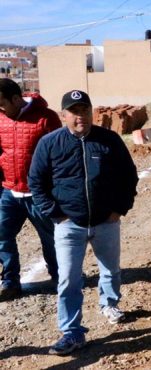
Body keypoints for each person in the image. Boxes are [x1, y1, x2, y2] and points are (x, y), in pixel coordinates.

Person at [28, 90, 138, 355]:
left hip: (106, 222)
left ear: (92, 112)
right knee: (68, 278)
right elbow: (36, 183)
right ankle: (72, 331)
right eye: (75, 112)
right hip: (68, 224)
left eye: (85, 111)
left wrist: (119, 209)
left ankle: (109, 303)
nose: (81, 117)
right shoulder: (49, 143)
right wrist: (56, 214)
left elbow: (128, 176)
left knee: (110, 269)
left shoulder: (109, 140)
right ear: (64, 115)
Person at [0, 78, 60, 301]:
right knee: (2, 236)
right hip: (8, 191)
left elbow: (59, 156)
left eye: (2, 103)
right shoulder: (0, 119)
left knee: (51, 239)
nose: (0, 109)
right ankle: (10, 282)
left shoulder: (46, 118)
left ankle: (61, 278)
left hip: (40, 193)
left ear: (16, 99)